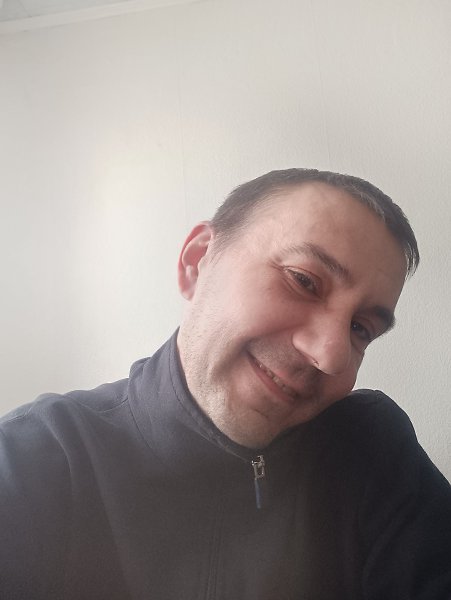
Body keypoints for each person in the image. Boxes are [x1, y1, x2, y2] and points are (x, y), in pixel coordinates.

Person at [1, 168, 450, 599]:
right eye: (304, 281)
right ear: (197, 262)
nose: (331, 356)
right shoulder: (33, 461)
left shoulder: (370, 453)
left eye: (360, 329)